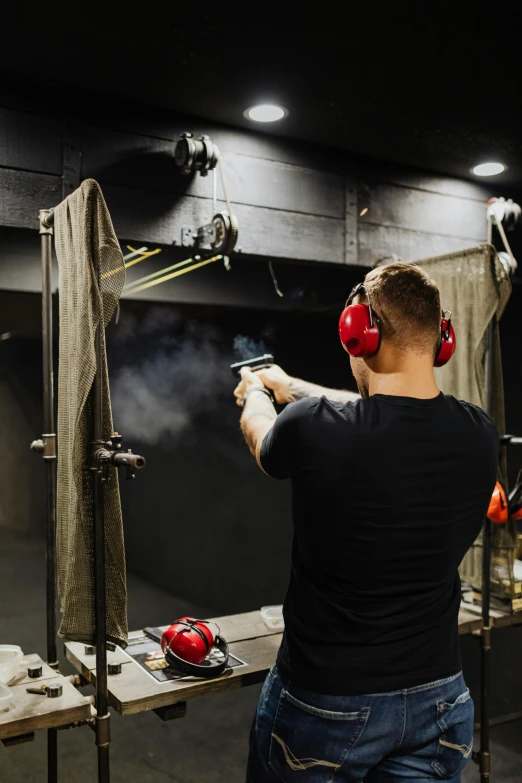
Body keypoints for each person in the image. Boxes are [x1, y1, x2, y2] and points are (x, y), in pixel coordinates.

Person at [233, 263, 499, 783]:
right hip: (441, 700)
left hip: (326, 704)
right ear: (440, 338)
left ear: (359, 332)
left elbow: (262, 438)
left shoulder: (310, 428)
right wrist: (290, 384)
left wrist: (260, 394)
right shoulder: (479, 432)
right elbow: (392, 415)